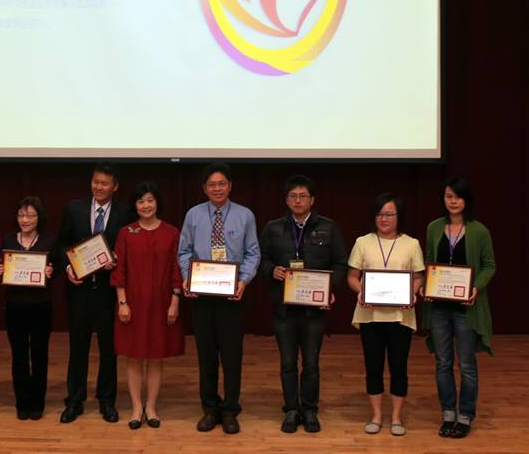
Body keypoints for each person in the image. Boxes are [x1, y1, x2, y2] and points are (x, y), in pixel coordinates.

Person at [259, 175, 347, 434]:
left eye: (303, 196)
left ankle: (309, 410)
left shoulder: (328, 227)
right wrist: (271, 270)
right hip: (284, 309)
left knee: (310, 363)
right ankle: (291, 409)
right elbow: (260, 258)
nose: (298, 201)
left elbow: (340, 264)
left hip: (313, 309)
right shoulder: (273, 228)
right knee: (287, 363)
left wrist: (330, 289)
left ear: (312, 199)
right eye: (293, 196)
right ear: (286, 200)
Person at [178, 162, 260, 435]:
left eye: (221, 183)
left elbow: (253, 252)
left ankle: (230, 409)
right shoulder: (193, 215)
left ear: (230, 186)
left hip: (231, 296)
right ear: (204, 188)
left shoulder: (245, 215)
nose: (217, 189)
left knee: (232, 355)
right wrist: (187, 276)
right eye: (211, 184)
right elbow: (184, 251)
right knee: (206, 355)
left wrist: (243, 281)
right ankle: (210, 408)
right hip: (202, 295)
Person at [421, 176, 497, 439]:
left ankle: (465, 416)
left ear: (467, 200)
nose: (452, 201)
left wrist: (475, 287)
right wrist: (427, 285)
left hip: (466, 308)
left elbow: (489, 265)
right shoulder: (434, 227)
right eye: (448, 196)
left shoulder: (479, 231)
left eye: (457, 196)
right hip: (439, 308)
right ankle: (447, 414)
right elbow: (429, 261)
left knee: (466, 364)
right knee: (443, 363)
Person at [58, 162, 134, 424]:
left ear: (115, 186)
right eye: (95, 182)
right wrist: (68, 266)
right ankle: (74, 400)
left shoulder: (125, 213)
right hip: (78, 290)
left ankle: (107, 400)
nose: (98, 187)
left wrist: (117, 260)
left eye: (104, 183)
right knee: (77, 347)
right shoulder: (74, 208)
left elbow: (127, 249)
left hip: (107, 292)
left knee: (108, 349)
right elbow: (62, 243)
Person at [346, 193, 424, 437]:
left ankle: (397, 417)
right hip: (370, 316)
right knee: (373, 366)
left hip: (401, 317)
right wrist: (361, 292)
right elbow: (352, 277)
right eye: (380, 214)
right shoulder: (362, 242)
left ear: (399, 217)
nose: (384, 218)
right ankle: (377, 415)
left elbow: (418, 277)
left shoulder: (412, 244)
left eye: (389, 214)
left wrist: (412, 293)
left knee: (399, 367)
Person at [111, 182, 184, 429]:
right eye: (141, 201)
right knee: (133, 357)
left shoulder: (172, 232)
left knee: (155, 357)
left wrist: (175, 300)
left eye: (150, 200)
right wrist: (122, 302)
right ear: (135, 205)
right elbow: (119, 271)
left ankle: (151, 407)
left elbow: (176, 269)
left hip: (162, 304)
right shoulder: (125, 232)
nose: (146, 205)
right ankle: (136, 407)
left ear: (157, 202)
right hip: (132, 304)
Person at [1, 196, 56, 420]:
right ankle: (22, 402)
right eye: (21, 215)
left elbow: (57, 270)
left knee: (40, 354)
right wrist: (0, 270)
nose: (25, 219)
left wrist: (50, 272)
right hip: (15, 306)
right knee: (19, 355)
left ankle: (37, 402)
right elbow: (2, 269)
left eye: (30, 215)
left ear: (39, 217)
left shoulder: (49, 241)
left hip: (41, 306)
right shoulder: (8, 240)